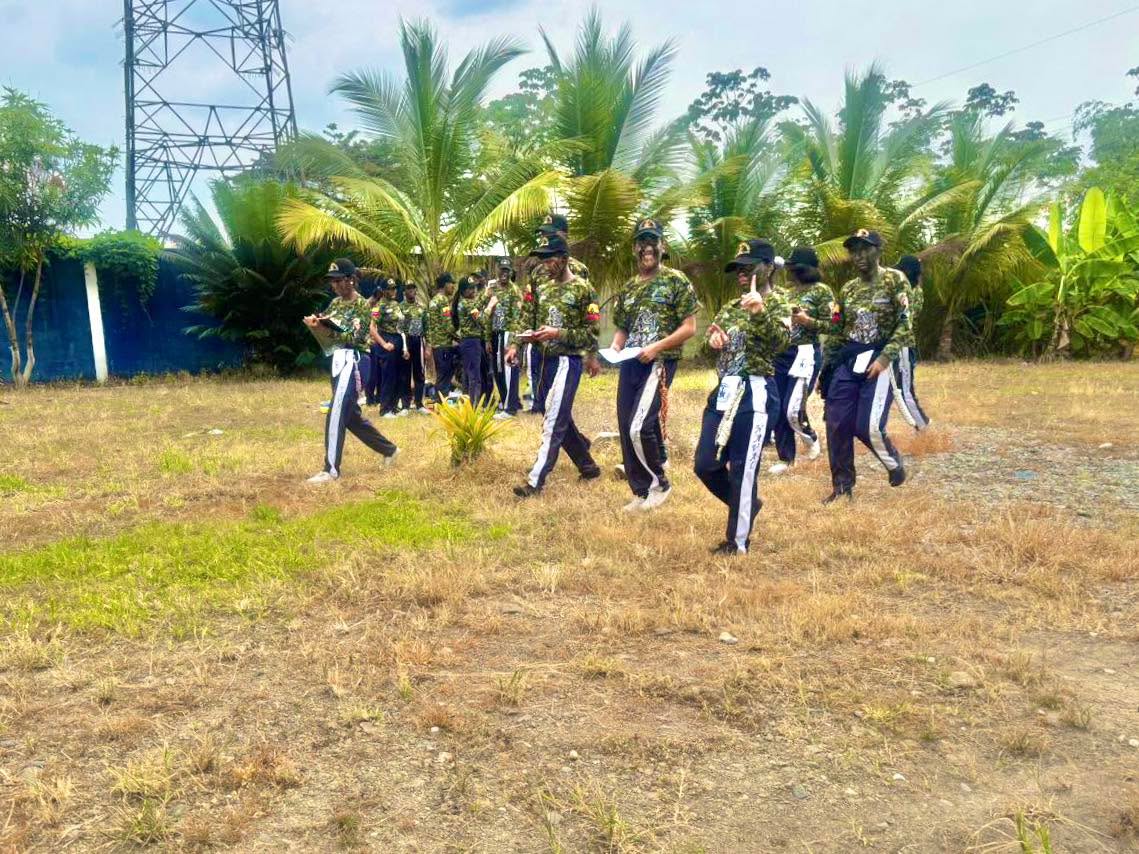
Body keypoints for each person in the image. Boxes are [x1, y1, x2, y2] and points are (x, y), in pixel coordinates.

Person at [695, 240, 791, 555]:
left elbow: (781, 342)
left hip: (757, 392)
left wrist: (760, 312)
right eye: (739, 267)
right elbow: (715, 338)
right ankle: (747, 503)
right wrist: (715, 340)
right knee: (705, 464)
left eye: (749, 266)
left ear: (768, 267)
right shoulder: (729, 307)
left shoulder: (778, 303)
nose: (742, 272)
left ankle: (737, 542)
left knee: (742, 468)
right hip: (724, 391)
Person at [608, 218, 700, 512]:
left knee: (639, 425)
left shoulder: (676, 280)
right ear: (634, 249)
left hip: (659, 362)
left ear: (663, 247)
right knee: (625, 424)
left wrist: (656, 347)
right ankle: (640, 491)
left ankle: (659, 484)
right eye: (641, 242)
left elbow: (689, 327)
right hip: (631, 363)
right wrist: (615, 346)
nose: (647, 247)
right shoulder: (629, 287)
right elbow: (623, 327)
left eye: (652, 241)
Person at [821, 229, 912, 503]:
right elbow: (837, 330)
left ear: (878, 251)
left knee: (867, 426)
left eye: (865, 249)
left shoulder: (895, 280)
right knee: (836, 425)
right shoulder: (848, 289)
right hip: (848, 362)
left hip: (879, 361)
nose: (859, 256)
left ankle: (893, 462)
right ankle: (842, 488)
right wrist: (826, 370)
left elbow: (906, 324)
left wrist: (885, 359)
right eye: (854, 251)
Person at [510, 234, 602, 497]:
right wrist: (518, 343)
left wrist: (557, 334)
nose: (545, 266)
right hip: (544, 360)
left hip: (567, 362)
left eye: (550, 260)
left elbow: (590, 333)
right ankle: (588, 467)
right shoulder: (544, 288)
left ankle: (535, 481)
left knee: (553, 421)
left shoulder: (584, 289)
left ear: (564, 259)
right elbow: (528, 317)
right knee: (558, 416)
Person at [304, 259, 398, 483]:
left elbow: (354, 338)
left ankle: (331, 469)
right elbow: (329, 330)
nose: (334, 285)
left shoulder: (364, 306)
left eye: (338, 280)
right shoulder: (335, 303)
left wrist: (328, 327)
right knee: (350, 416)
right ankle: (389, 449)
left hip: (355, 361)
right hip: (338, 361)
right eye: (332, 281)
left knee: (336, 410)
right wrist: (317, 324)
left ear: (351, 280)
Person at [768, 246, 833, 473]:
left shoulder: (822, 291)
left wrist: (807, 321)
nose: (792, 272)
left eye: (796, 268)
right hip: (781, 354)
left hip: (805, 353)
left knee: (793, 407)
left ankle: (810, 437)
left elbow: (833, 324)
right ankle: (786, 459)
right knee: (777, 407)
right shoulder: (786, 293)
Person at [526, 214, 595, 414]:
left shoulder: (580, 271)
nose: (544, 238)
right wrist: (522, 337)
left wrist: (590, 353)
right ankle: (578, 443)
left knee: (558, 406)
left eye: (549, 234)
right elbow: (530, 306)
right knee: (547, 402)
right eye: (543, 235)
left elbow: (588, 316)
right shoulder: (538, 271)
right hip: (541, 345)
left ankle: (570, 442)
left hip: (567, 348)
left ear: (564, 235)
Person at [891, 255, 931, 431]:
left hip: (903, 344)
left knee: (905, 390)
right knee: (900, 388)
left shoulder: (903, 289)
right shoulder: (917, 290)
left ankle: (924, 427)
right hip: (901, 343)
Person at [485, 258, 523, 419]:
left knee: (509, 370)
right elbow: (487, 316)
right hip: (495, 334)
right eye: (502, 270)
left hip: (507, 334)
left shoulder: (514, 291)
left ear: (510, 272)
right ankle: (504, 401)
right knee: (498, 371)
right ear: (497, 271)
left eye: (507, 270)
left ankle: (510, 408)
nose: (504, 274)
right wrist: (487, 338)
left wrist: (513, 342)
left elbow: (517, 318)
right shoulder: (492, 289)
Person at [371, 277, 407, 418]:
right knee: (388, 376)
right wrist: (384, 344)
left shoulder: (396, 304)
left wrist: (405, 347)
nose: (393, 291)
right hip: (387, 340)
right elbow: (372, 328)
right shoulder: (379, 306)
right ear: (383, 290)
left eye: (394, 288)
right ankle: (385, 408)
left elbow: (400, 327)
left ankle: (393, 406)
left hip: (398, 340)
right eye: (390, 288)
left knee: (399, 376)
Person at [452, 276, 486, 405]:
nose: (473, 291)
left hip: (468, 342)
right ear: (462, 291)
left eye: (474, 288)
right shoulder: (467, 304)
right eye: (469, 289)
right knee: (474, 377)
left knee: (468, 375)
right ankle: (473, 406)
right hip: (471, 342)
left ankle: (468, 404)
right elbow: (481, 320)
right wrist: (489, 303)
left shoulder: (465, 303)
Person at [425, 272, 459, 403]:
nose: (453, 287)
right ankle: (440, 402)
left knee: (441, 374)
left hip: (436, 344)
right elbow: (447, 324)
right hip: (444, 344)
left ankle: (438, 401)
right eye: (451, 284)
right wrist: (459, 338)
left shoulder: (433, 300)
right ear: (445, 285)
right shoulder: (443, 301)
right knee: (444, 375)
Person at [399, 280, 429, 414]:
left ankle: (419, 404)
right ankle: (405, 405)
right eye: (408, 288)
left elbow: (427, 328)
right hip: (406, 342)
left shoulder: (422, 307)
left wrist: (428, 346)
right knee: (405, 374)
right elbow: (398, 327)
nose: (411, 291)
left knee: (419, 373)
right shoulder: (400, 307)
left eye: (413, 288)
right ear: (404, 291)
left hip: (419, 342)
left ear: (416, 290)